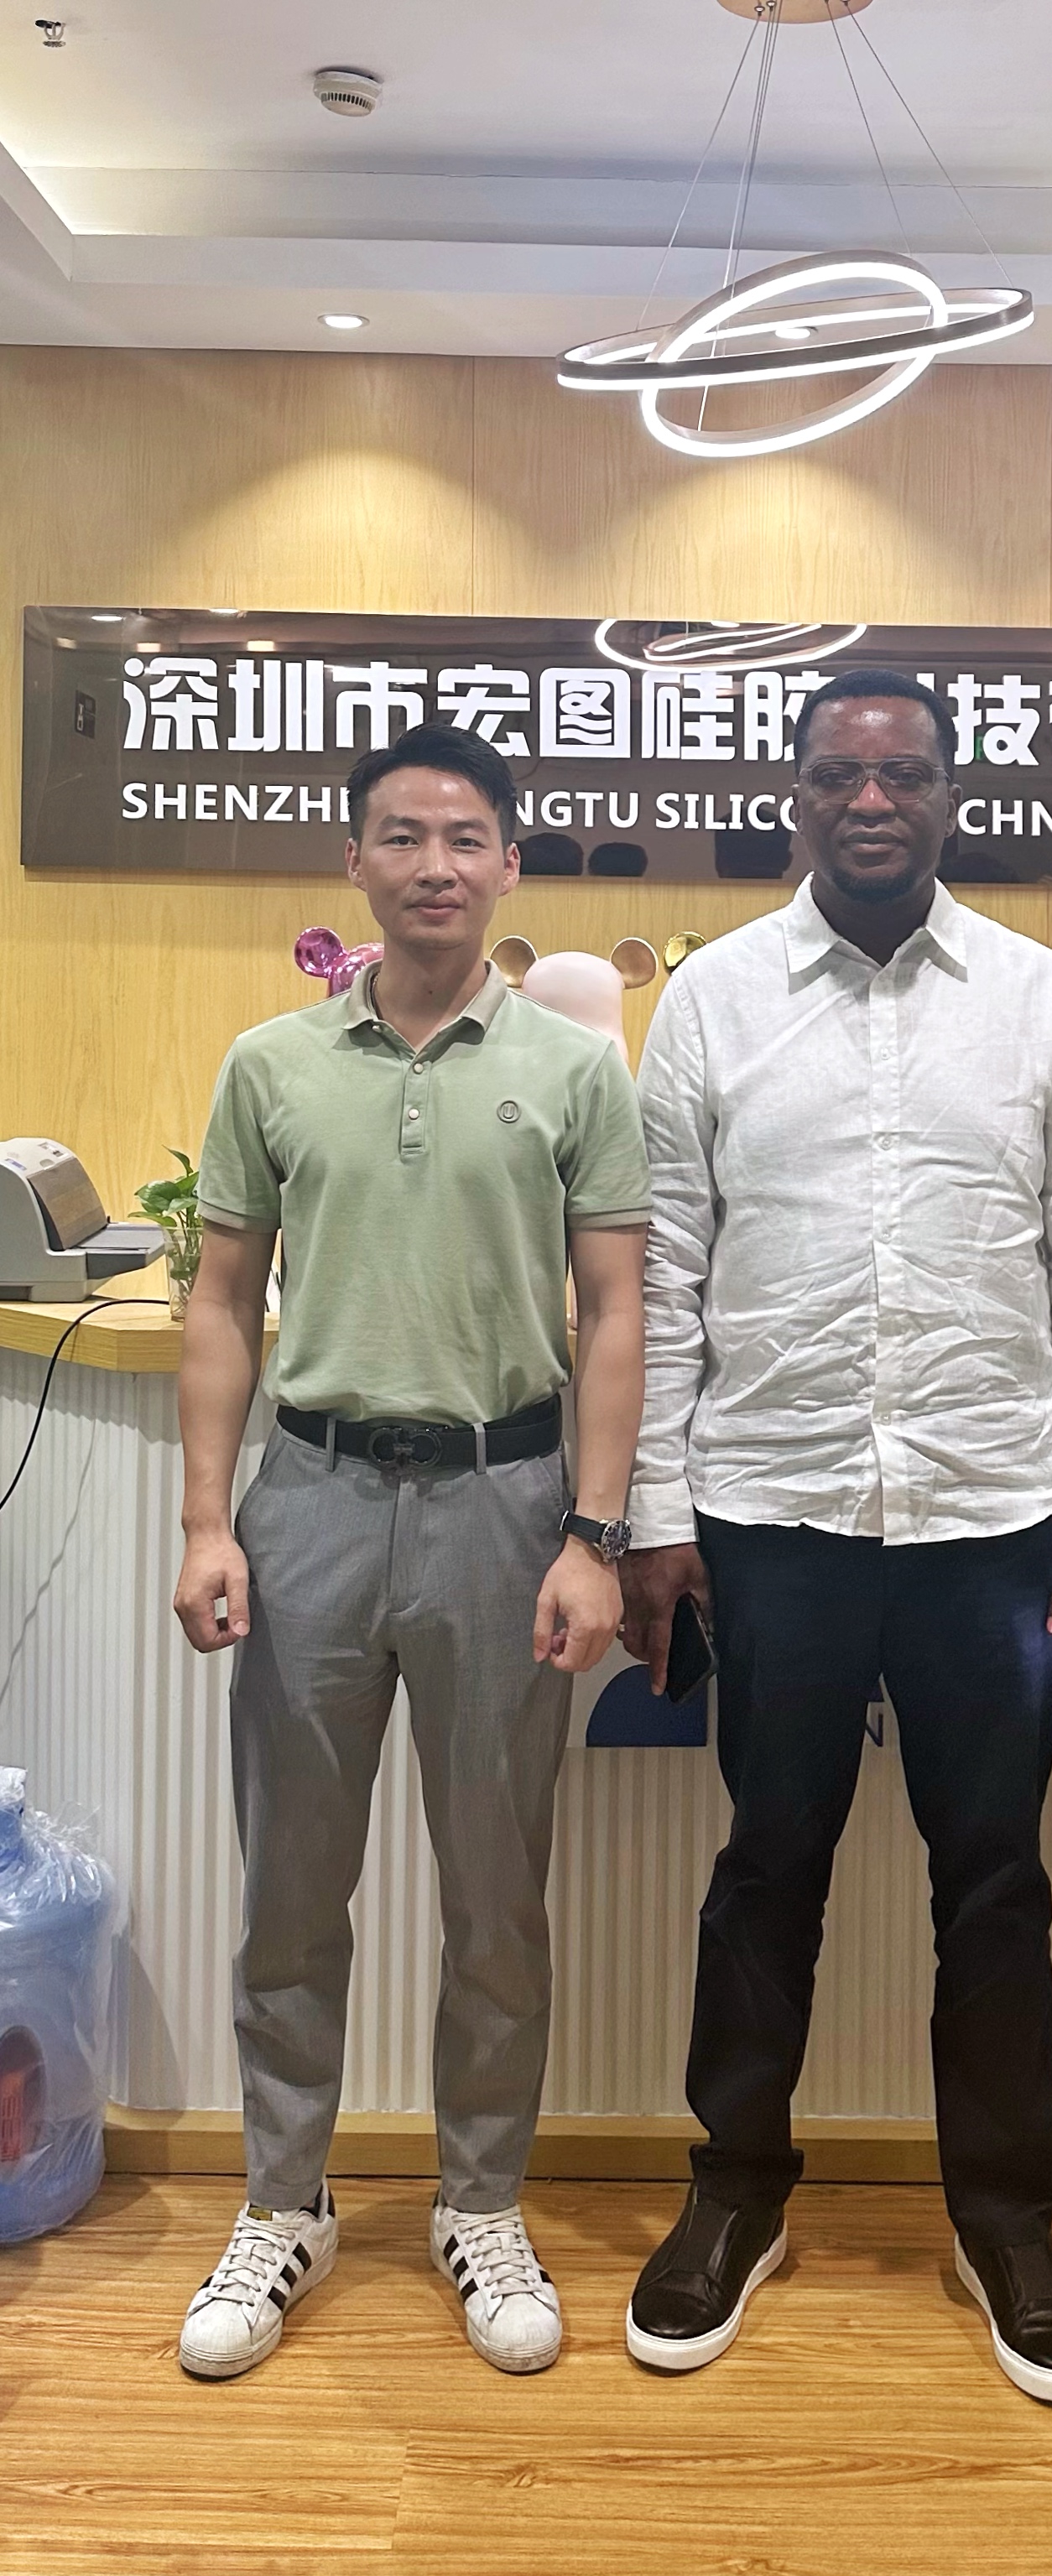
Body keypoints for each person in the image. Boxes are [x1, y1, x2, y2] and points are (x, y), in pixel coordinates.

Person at [618, 669, 1052, 2406]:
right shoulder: (710, 999)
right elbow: (664, 1276)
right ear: (796, 795)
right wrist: (651, 1515)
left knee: (994, 1880)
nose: (872, 800)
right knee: (766, 1866)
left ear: (948, 797)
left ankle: (1006, 2221)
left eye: (904, 774)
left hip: (991, 1519)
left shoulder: (1037, 994)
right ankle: (735, 2190)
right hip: (768, 1515)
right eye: (841, 774)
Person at [171, 722, 649, 2381]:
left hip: (506, 1510)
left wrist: (594, 1535)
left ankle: (481, 2200)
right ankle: (283, 2200)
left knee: (496, 1895)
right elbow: (221, 1301)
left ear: (508, 863)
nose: (434, 866)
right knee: (290, 1890)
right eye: (401, 836)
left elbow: (614, 1311)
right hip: (308, 1504)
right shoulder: (272, 1063)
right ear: (355, 861)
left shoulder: (577, 1071)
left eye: (464, 839)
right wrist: (207, 1520)